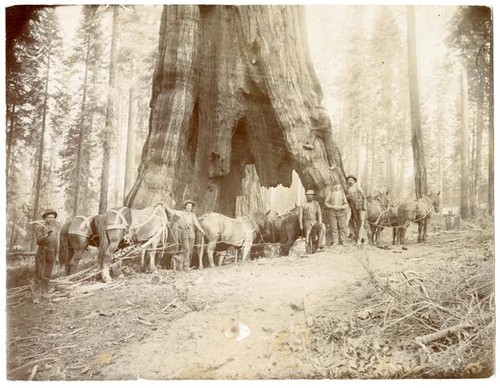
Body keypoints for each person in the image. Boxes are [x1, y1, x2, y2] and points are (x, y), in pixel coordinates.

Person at [166, 200, 205, 270]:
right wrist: (164, 206)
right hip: (184, 233)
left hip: (192, 234)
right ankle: (185, 265)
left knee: (190, 250)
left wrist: (201, 230)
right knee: (186, 249)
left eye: (190, 206)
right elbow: (171, 211)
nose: (189, 207)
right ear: (185, 206)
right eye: (188, 206)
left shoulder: (192, 215)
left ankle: (187, 265)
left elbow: (196, 224)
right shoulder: (180, 213)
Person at [33, 209, 60, 301]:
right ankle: (36, 295)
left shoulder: (55, 228)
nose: (51, 219)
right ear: (45, 218)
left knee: (48, 274)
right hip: (42, 252)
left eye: (53, 218)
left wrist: (56, 256)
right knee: (39, 273)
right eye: (49, 217)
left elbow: (56, 243)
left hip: (51, 253)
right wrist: (47, 235)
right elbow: (38, 241)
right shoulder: (40, 227)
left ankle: (45, 292)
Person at [299, 189, 326, 254]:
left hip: (314, 221)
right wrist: (301, 225)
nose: (309, 196)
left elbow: (319, 214)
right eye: (308, 195)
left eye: (311, 195)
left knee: (323, 228)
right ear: (306, 196)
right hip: (307, 222)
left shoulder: (316, 204)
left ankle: (320, 245)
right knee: (308, 232)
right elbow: (300, 215)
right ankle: (308, 247)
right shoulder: (303, 204)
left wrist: (320, 222)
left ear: (313, 196)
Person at [345, 175, 367, 245]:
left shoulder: (358, 188)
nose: (350, 181)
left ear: (354, 181)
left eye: (351, 180)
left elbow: (364, 197)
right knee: (357, 222)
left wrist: (364, 205)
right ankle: (362, 237)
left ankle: (360, 239)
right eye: (349, 180)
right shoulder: (348, 189)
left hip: (360, 207)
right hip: (353, 208)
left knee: (361, 222)